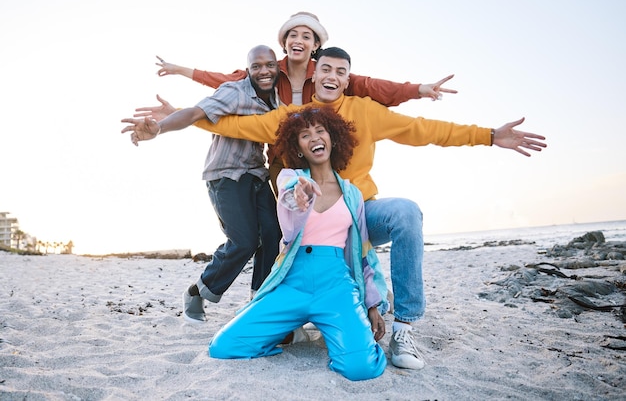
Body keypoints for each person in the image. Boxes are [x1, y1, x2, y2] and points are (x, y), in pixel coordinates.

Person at [121, 47, 548, 370]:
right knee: (271, 297)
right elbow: (232, 123)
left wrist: (491, 135)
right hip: (310, 233)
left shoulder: (366, 112)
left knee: (405, 213)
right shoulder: (292, 117)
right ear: (314, 74)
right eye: (326, 68)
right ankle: (307, 319)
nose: (333, 76)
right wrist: (171, 118)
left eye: (342, 72)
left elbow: (428, 130)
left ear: (347, 80)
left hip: (359, 216)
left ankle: (404, 331)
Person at [139, 11, 457, 192]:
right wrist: (182, 75)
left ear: (315, 45)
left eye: (307, 36)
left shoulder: (326, 75)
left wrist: (419, 89)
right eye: (293, 35)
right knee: (289, 217)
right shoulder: (268, 71)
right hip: (281, 155)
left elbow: (372, 87)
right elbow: (226, 81)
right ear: (285, 42)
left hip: (321, 157)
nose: (298, 40)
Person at [209, 106, 388, 381]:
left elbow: (364, 253)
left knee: (360, 368)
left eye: (320, 131)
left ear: (333, 138)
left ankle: (341, 331)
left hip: (337, 285)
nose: (314, 138)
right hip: (293, 282)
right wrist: (299, 193)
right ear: (298, 148)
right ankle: (293, 332)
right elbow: (290, 202)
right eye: (305, 135)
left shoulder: (352, 194)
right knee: (224, 346)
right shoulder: (289, 178)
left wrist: (373, 305)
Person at [129, 45, 283, 324]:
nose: (264, 71)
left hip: (256, 173)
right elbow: (194, 113)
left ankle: (259, 299)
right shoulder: (233, 91)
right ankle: (197, 291)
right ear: (248, 69)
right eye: (256, 66)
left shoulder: (278, 99)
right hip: (225, 174)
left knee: (273, 233)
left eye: (269, 65)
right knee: (245, 241)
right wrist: (160, 128)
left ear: (277, 67)